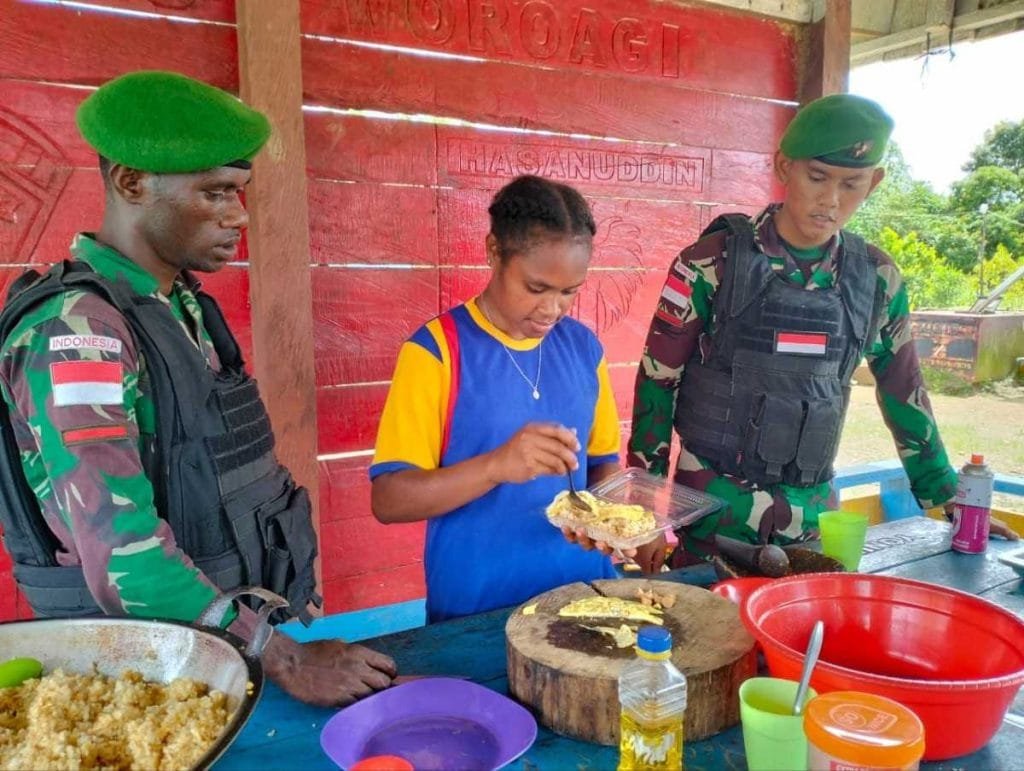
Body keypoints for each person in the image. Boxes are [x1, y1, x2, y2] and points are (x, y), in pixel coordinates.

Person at [0, 70, 395, 706]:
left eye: (240, 192)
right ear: (131, 181)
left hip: (207, 655)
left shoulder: (172, 305)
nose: (238, 215)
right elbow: (126, 561)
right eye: (214, 193)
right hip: (140, 681)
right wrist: (286, 660)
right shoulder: (77, 332)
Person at [626, 93, 1018, 571]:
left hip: (813, 523)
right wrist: (643, 509)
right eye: (817, 177)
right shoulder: (710, 263)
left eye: (851, 184)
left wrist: (944, 493)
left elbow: (903, 389)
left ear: (874, 183)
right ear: (784, 167)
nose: (831, 200)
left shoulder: (875, 279)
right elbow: (657, 381)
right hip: (711, 518)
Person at [370, 175, 623, 622]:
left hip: (583, 597)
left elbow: (602, 463)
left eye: (569, 292)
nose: (552, 310)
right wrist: (496, 466)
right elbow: (389, 499)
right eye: (536, 288)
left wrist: (605, 520)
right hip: (478, 612)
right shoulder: (437, 351)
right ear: (493, 253)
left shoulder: (584, 348)